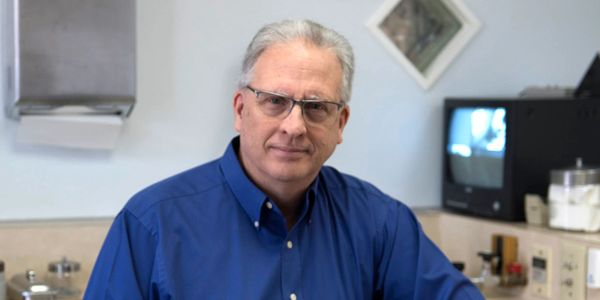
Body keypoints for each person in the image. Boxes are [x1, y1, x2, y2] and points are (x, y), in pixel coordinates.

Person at [84, 19, 483, 299]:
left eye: (315, 107)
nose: (294, 126)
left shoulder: (380, 223)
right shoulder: (152, 223)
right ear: (241, 110)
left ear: (340, 123)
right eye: (275, 101)